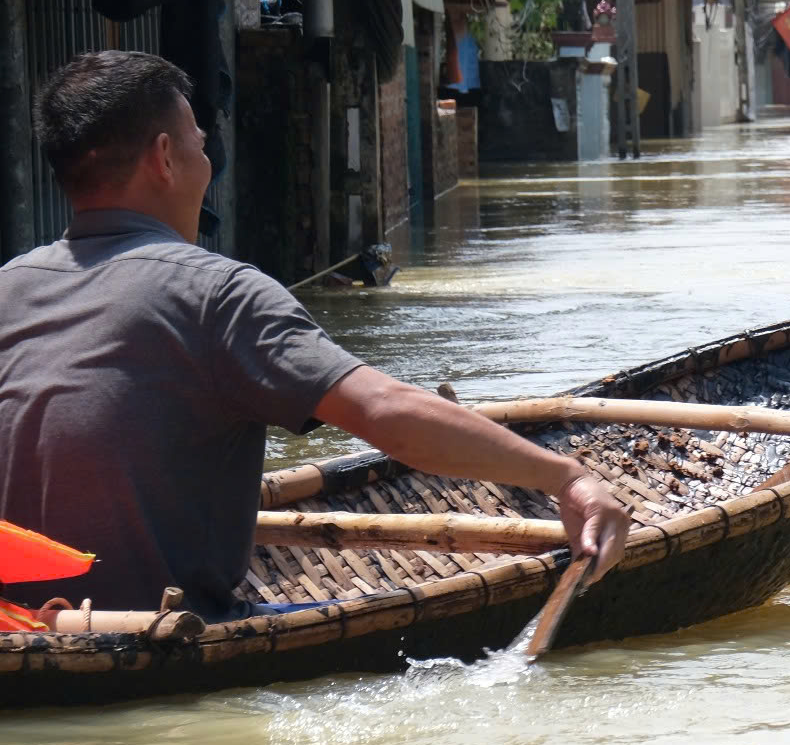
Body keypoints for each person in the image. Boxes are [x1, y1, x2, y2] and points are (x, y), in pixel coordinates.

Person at [0, 51, 632, 616]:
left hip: (15, 625)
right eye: (199, 142)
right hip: (158, 627)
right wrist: (568, 478)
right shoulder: (216, 293)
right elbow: (386, 412)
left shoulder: (8, 286)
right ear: (165, 158)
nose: (207, 161)